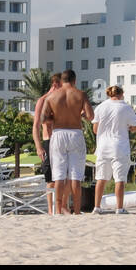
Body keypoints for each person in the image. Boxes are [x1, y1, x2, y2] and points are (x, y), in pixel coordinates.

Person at [36, 70, 93, 215]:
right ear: (74, 80)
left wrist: (54, 119)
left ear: (61, 81)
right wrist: (80, 114)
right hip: (75, 133)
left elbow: (42, 119)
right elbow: (90, 116)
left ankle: (57, 209)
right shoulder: (81, 94)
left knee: (59, 175)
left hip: (58, 134)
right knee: (76, 175)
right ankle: (77, 211)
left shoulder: (52, 96)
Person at [92, 85, 136, 214]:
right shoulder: (126, 107)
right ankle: (119, 208)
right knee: (120, 179)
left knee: (101, 178)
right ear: (122, 94)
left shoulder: (100, 107)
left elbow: (95, 130)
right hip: (119, 146)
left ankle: (96, 207)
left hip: (103, 147)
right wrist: (128, 128)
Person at [31, 73, 62, 214]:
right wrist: (38, 147)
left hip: (61, 140)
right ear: (55, 85)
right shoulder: (42, 101)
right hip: (48, 140)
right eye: (62, 86)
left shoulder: (62, 100)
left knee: (63, 177)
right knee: (50, 178)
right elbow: (36, 125)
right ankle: (50, 210)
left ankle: (61, 207)